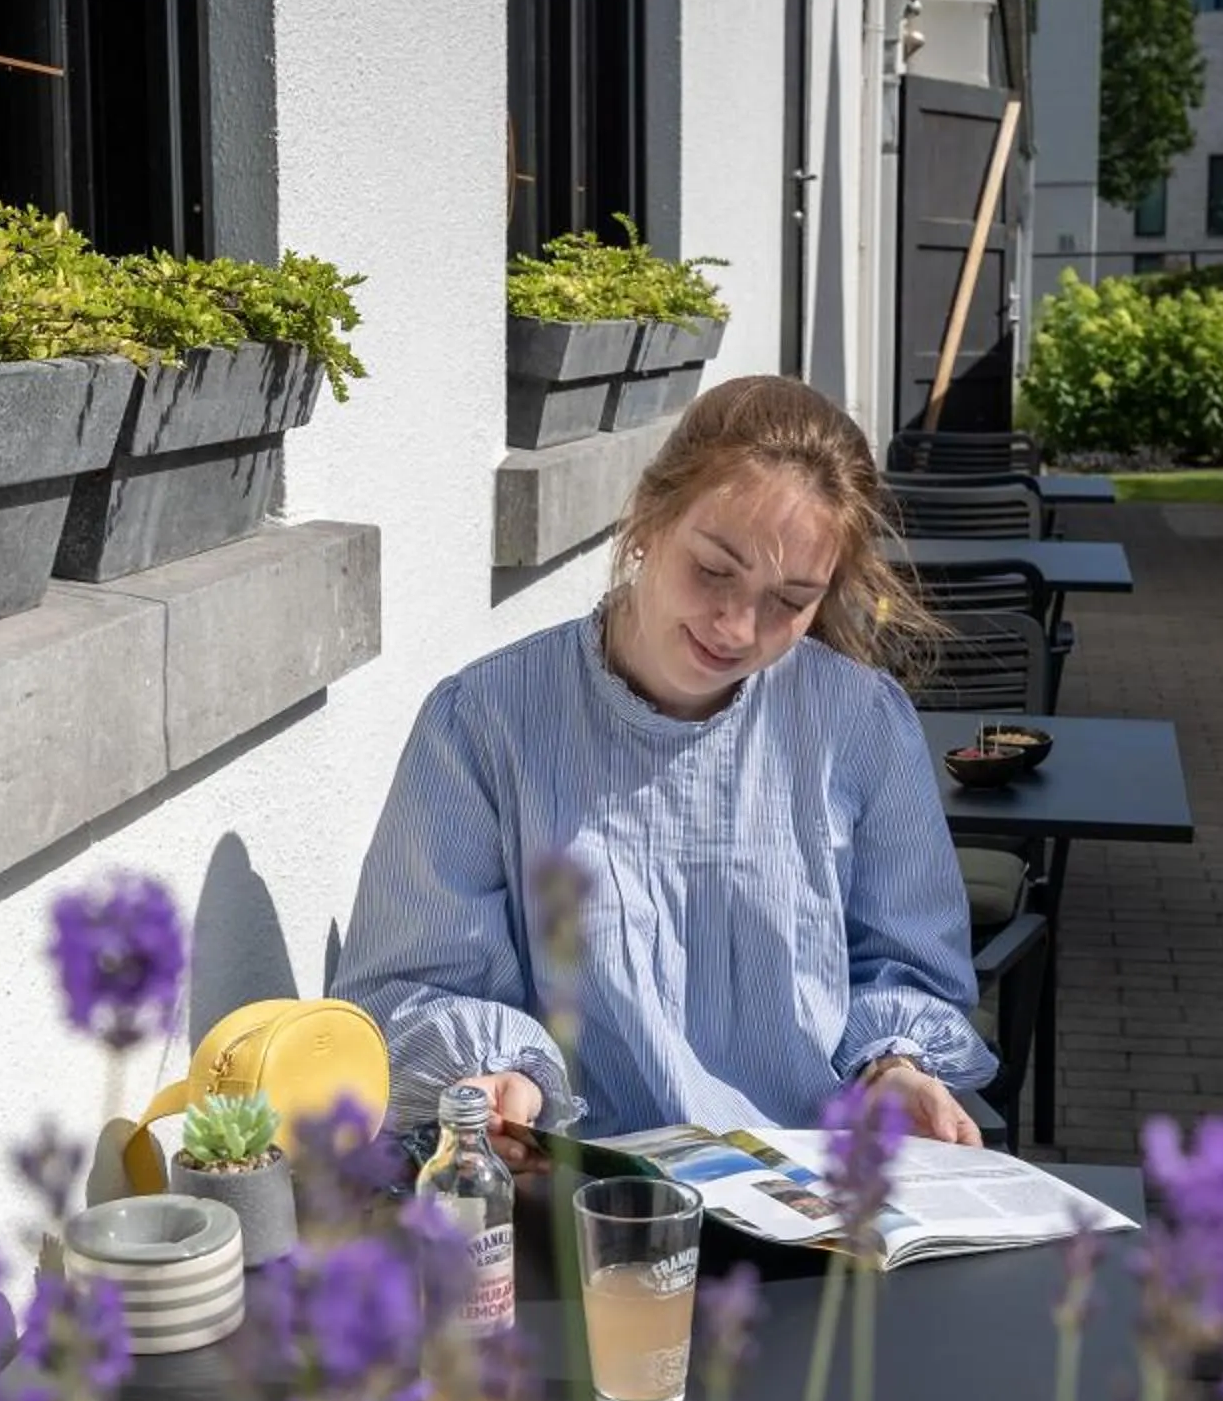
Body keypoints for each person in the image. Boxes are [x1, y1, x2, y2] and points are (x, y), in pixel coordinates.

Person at [331, 373, 995, 1173]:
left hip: (810, 1200)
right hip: (581, 1199)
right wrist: (501, 1080)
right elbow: (404, 988)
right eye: (715, 569)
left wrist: (895, 1069)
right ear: (649, 517)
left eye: (790, 600)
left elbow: (907, 963)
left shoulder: (859, 722)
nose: (738, 626)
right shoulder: (485, 721)